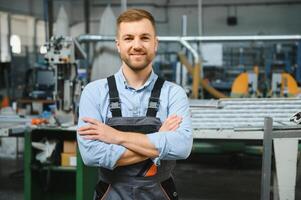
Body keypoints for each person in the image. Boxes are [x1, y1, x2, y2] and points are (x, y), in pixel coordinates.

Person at [77, 8, 193, 200]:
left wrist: (115, 136)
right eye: (129, 38)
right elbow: (91, 154)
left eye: (145, 38)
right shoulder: (94, 92)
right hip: (111, 194)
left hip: (159, 193)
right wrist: (160, 139)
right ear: (118, 45)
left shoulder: (174, 93)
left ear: (155, 44)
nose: (137, 45)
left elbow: (181, 147)